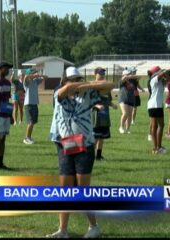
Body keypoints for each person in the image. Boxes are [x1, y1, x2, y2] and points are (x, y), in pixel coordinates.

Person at [47, 66, 114, 238]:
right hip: (65, 145)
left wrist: (88, 85)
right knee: (65, 190)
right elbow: (67, 89)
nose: (76, 82)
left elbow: (109, 85)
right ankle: (62, 230)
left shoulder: (88, 94)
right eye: (73, 79)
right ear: (64, 81)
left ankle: (94, 227)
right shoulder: (59, 93)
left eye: (78, 79)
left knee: (83, 190)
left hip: (84, 145)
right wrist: (79, 85)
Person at [147, 66, 170, 154]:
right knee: (160, 125)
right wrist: (165, 71)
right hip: (155, 105)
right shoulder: (154, 79)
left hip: (153, 105)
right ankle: (157, 147)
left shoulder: (160, 82)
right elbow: (162, 75)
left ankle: (156, 148)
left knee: (155, 126)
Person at [91, 67, 117, 161]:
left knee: (102, 137)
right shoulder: (92, 87)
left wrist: (112, 104)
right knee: (95, 137)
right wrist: (96, 106)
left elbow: (108, 100)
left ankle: (99, 156)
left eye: (103, 74)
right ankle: (91, 156)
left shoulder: (106, 87)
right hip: (95, 115)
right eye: (100, 73)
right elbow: (88, 101)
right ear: (95, 74)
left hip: (105, 115)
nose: (102, 75)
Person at [23, 68, 46, 144]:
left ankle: (29, 137)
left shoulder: (36, 81)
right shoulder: (27, 81)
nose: (35, 74)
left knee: (33, 122)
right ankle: (26, 138)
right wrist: (33, 75)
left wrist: (39, 75)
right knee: (30, 122)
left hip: (34, 103)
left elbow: (46, 77)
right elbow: (26, 77)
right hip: (28, 104)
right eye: (34, 73)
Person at [118, 68, 136, 134]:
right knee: (125, 113)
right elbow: (123, 79)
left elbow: (138, 77)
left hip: (131, 99)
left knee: (130, 115)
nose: (129, 75)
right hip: (123, 99)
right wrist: (126, 76)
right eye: (128, 74)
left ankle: (128, 129)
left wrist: (131, 76)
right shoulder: (121, 81)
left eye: (129, 74)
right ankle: (121, 127)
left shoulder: (132, 81)